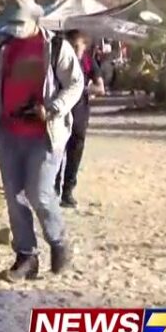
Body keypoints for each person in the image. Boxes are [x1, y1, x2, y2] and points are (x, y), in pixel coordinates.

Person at [0, 0, 84, 282]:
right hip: (9, 132)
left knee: (39, 192)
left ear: (35, 20)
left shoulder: (56, 47)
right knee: (14, 197)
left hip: (45, 134)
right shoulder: (3, 48)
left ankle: (59, 241)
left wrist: (52, 108)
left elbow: (75, 83)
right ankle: (26, 256)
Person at [56, 29, 105, 209]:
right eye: (71, 45)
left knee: (75, 153)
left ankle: (67, 191)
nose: (74, 49)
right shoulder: (61, 62)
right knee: (57, 151)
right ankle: (54, 187)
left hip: (80, 113)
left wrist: (83, 89)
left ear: (85, 46)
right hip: (61, 112)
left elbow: (100, 88)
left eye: (78, 46)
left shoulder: (88, 62)